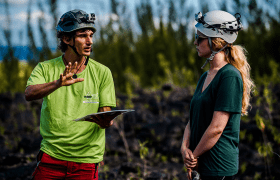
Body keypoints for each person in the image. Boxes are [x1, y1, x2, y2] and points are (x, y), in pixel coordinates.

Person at [25, 9, 116, 180]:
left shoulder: (103, 72)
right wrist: (58, 83)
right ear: (66, 39)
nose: (90, 41)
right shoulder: (45, 68)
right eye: (83, 35)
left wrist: (106, 121)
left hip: (86, 161)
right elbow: (29, 93)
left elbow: (106, 113)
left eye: (91, 35)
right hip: (51, 157)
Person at [181, 10, 255, 180]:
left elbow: (216, 129)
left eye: (199, 38)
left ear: (214, 41)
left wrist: (193, 157)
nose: (195, 42)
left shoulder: (229, 76)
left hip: (218, 166)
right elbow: (193, 119)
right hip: (202, 164)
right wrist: (184, 149)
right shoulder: (204, 77)